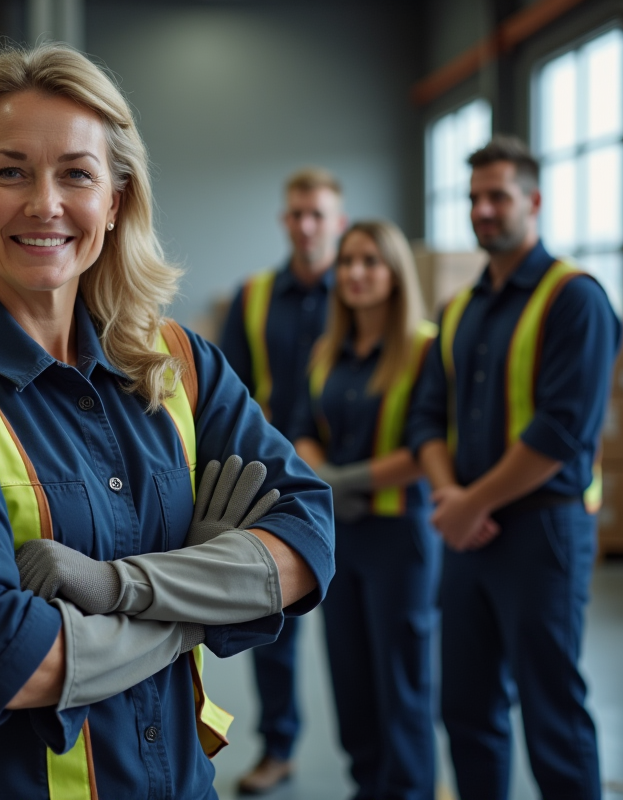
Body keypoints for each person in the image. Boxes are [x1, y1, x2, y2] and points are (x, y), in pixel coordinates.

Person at [0, 44, 335, 799]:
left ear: (117, 198)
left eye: (76, 173)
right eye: (9, 171)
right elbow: (11, 663)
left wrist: (119, 586)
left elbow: (310, 539)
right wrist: (204, 600)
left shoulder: (179, 367)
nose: (45, 203)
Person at [406, 136, 621, 800]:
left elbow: (561, 431)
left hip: (543, 533)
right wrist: (449, 496)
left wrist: (472, 504)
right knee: (467, 710)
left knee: (552, 711)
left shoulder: (574, 298)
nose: (483, 210)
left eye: (497, 196)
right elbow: (425, 418)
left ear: (533, 200)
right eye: (474, 199)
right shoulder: (461, 309)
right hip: (465, 534)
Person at [291, 220, 440, 800]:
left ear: (395, 273)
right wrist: (325, 478)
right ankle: (367, 786)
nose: (355, 273)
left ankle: (409, 790)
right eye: (348, 261)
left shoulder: (426, 348)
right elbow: (301, 428)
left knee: (400, 682)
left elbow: (431, 444)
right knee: (349, 677)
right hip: (339, 536)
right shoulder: (327, 352)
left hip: (399, 535)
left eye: (371, 262)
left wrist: (340, 479)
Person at [218, 167, 347, 794]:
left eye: (318, 214)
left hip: (347, 484)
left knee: (361, 640)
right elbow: (230, 393)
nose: (306, 225)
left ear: (337, 222)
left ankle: (375, 766)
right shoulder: (255, 296)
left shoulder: (361, 289)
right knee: (273, 623)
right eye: (296, 213)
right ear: (284, 220)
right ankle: (279, 749)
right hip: (274, 484)